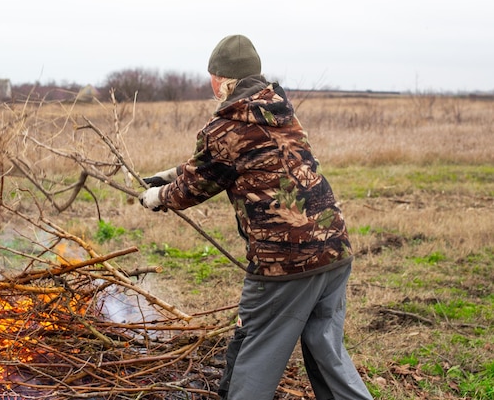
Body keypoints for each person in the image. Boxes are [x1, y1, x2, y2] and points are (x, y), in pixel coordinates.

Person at [138, 34, 373, 400]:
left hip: (285, 261)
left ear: (224, 80)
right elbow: (225, 162)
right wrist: (169, 174)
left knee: (254, 352)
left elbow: (195, 186)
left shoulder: (226, 125)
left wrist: (158, 196)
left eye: (212, 76)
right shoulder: (279, 111)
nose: (210, 83)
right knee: (326, 350)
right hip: (334, 247)